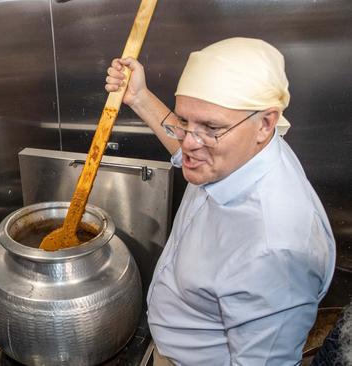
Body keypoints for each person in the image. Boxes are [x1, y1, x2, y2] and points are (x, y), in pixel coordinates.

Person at [105, 37, 336, 365]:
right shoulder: (243, 150)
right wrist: (140, 98)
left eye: (211, 127)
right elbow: (194, 146)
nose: (188, 143)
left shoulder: (275, 253)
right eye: (185, 122)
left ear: (266, 123)